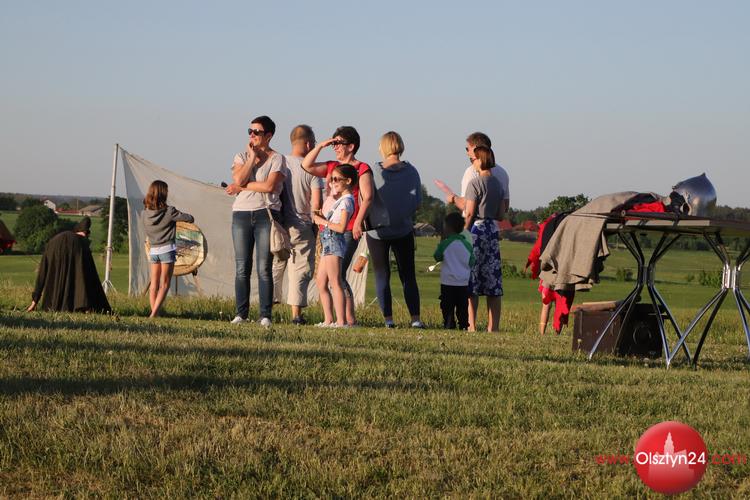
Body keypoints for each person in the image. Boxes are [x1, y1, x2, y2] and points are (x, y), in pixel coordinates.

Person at [302, 126, 373, 326]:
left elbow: (368, 198)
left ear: (351, 146)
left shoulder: (361, 168)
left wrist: (358, 222)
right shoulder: (333, 166)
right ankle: (334, 319)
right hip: (328, 229)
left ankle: (348, 319)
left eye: (339, 143)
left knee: (339, 275)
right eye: (334, 143)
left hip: (347, 227)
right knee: (325, 278)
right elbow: (306, 165)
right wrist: (321, 146)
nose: (335, 147)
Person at [225, 115, 286, 327]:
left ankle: (265, 314)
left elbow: (269, 187)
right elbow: (238, 179)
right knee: (242, 266)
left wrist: (240, 187)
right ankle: (241, 313)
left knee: (263, 267)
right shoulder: (241, 156)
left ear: (268, 136)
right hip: (241, 213)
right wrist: (251, 158)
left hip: (266, 214)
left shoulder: (277, 159)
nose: (252, 135)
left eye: (257, 132)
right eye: (250, 131)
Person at [365, 131, 424, 328]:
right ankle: (415, 319)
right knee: (408, 276)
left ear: (382, 147)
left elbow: (367, 198)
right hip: (403, 229)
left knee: (382, 275)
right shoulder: (412, 172)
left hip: (377, 231)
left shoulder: (374, 171)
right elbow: (418, 203)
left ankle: (388, 320)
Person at [272, 125, 324, 325]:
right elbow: (316, 203)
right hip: (301, 224)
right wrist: (316, 223)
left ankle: (268, 307)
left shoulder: (280, 163)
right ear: (309, 144)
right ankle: (296, 315)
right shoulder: (312, 170)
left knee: (275, 265)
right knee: (300, 269)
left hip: (277, 223)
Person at [26, 217, 111, 313]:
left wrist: (34, 301)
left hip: (52, 304)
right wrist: (95, 306)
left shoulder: (53, 241)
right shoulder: (81, 244)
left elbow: (42, 273)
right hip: (76, 305)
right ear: (86, 234)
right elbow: (91, 277)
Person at [463, 146, 505, 332]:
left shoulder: (475, 184)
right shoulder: (498, 184)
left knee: (472, 279)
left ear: (480, 160)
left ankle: (471, 325)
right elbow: (501, 214)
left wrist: (463, 232)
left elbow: (470, 212)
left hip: (477, 231)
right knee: (492, 280)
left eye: (474, 159)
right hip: (492, 231)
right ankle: (493, 326)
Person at [311, 164, 357, 327]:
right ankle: (328, 319)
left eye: (336, 179)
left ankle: (341, 321)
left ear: (348, 181)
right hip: (327, 240)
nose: (333, 183)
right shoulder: (340, 200)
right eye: (331, 180)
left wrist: (322, 221)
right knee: (321, 281)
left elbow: (341, 227)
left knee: (335, 282)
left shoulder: (347, 201)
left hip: (334, 240)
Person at [142, 180, 194, 318]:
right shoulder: (170, 211)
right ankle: (154, 314)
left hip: (153, 251)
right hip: (167, 249)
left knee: (154, 284)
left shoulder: (145, 213)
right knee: (164, 284)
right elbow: (189, 218)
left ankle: (155, 313)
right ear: (163, 194)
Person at [433, 212, 474, 330]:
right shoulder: (467, 245)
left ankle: (449, 323)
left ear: (449, 228)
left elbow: (437, 257)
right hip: (463, 282)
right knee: (462, 306)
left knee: (447, 305)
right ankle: (464, 325)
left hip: (447, 282)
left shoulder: (445, 244)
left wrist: (440, 244)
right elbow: (472, 261)